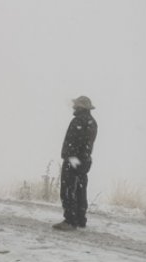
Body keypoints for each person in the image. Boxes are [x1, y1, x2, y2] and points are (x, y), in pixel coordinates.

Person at [53, 96, 98, 231]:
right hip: (85, 160)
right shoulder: (92, 122)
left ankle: (70, 221)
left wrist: (70, 157)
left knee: (68, 190)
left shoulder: (78, 121)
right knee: (80, 189)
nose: (73, 107)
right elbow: (86, 144)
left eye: (75, 105)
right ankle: (80, 219)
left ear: (80, 107)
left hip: (74, 160)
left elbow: (73, 143)